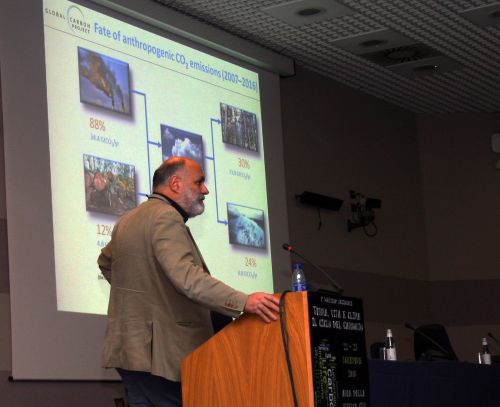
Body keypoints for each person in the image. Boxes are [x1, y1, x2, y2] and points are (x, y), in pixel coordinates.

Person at [98, 156, 280, 407]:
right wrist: (244, 301)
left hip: (131, 353)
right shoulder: (166, 216)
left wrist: (145, 296)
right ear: (175, 184)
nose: (205, 190)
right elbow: (187, 277)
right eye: (199, 182)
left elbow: (105, 263)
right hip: (158, 356)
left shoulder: (128, 220)